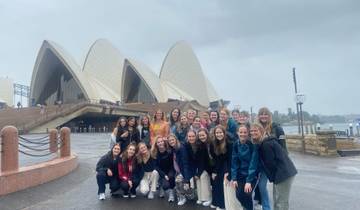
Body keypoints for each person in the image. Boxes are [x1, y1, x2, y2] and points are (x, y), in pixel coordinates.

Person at [251, 123, 297, 210]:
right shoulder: (265, 142)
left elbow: (271, 164)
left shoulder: (266, 145)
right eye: (251, 131)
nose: (253, 133)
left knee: (281, 202)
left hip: (284, 174)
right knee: (277, 200)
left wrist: (273, 177)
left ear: (261, 131)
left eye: (255, 130)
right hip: (282, 173)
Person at [231, 125, 259, 210]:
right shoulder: (236, 144)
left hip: (251, 174)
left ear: (248, 133)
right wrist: (234, 178)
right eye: (241, 132)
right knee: (238, 195)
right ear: (237, 133)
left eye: (245, 132)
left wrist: (249, 181)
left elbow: (253, 163)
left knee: (247, 194)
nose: (243, 134)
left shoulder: (252, 144)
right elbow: (234, 161)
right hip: (240, 173)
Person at [168, 133, 195, 206]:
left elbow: (185, 164)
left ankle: (188, 194)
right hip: (178, 170)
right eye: (169, 141)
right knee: (177, 181)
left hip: (185, 170)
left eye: (172, 140)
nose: (171, 141)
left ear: (176, 139)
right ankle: (182, 196)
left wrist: (186, 178)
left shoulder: (181, 148)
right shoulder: (173, 149)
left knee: (179, 180)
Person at [210, 125, 232, 210]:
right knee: (215, 180)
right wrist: (214, 171)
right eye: (217, 133)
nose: (219, 134)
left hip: (226, 164)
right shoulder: (213, 144)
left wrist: (228, 171)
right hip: (218, 164)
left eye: (220, 132)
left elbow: (230, 159)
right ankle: (216, 202)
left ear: (224, 133)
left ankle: (223, 205)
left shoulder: (229, 143)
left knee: (221, 181)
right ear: (214, 134)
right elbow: (215, 158)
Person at [151, 136, 176, 202]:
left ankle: (171, 194)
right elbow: (156, 167)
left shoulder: (169, 150)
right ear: (156, 144)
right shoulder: (154, 152)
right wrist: (164, 175)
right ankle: (161, 186)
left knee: (171, 178)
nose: (160, 143)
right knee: (165, 186)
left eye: (161, 141)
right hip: (161, 172)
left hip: (170, 170)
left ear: (164, 142)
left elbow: (172, 164)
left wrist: (169, 174)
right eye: (158, 142)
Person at [194, 128, 212, 207]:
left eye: (203, 135)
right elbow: (201, 161)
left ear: (207, 135)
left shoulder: (210, 143)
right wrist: (198, 173)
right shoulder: (199, 145)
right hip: (203, 166)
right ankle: (201, 197)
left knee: (203, 176)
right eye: (200, 135)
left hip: (211, 167)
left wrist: (200, 172)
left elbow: (207, 161)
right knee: (198, 178)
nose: (202, 137)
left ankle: (208, 198)